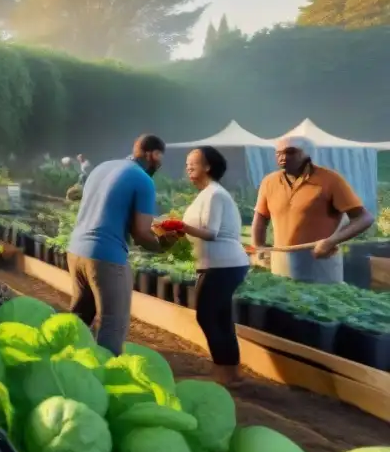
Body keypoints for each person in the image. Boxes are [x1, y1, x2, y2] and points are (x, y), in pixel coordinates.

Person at [67, 134, 177, 355]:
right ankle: (104, 380)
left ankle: (63, 367)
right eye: (160, 159)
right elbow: (141, 233)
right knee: (112, 324)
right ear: (152, 154)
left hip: (76, 251)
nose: (160, 164)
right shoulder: (143, 180)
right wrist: (162, 245)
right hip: (106, 258)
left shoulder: (102, 168)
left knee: (78, 320)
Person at [252, 136, 373, 283]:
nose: (282, 157)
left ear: (306, 154)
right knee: (285, 302)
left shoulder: (330, 180)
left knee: (320, 303)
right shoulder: (269, 182)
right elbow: (260, 216)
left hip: (320, 259)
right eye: (278, 153)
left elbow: (364, 218)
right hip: (281, 261)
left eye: (290, 152)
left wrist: (331, 242)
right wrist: (259, 247)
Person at [177, 146, 250, 385]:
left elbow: (210, 232)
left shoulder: (215, 194)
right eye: (187, 163)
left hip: (223, 265)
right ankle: (231, 372)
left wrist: (179, 227)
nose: (188, 166)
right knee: (220, 318)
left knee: (207, 317)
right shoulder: (207, 193)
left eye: (193, 162)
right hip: (217, 264)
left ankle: (223, 372)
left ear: (208, 166)